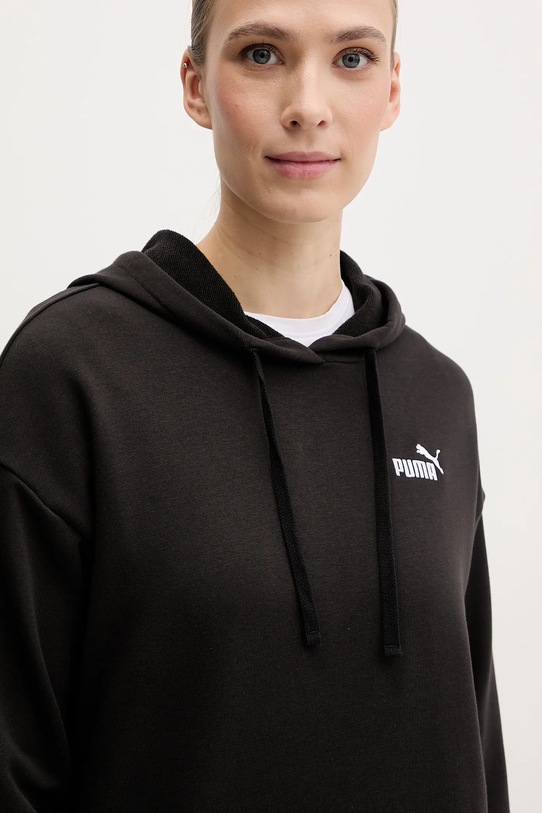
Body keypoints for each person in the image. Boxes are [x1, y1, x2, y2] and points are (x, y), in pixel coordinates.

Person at [0, 0, 510, 810]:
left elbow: (475, 746)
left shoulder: (436, 395)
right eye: (263, 54)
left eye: (351, 59)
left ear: (392, 89)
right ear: (195, 84)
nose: (308, 106)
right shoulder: (72, 373)